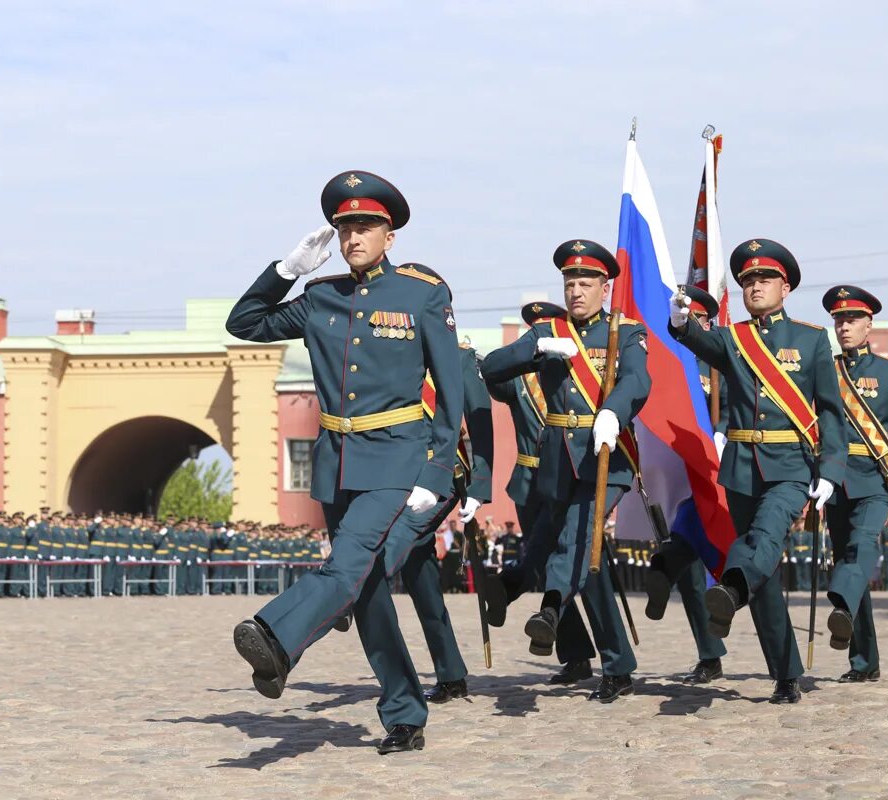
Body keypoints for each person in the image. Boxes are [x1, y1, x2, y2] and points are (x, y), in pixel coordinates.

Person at [226, 170, 462, 754]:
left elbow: (451, 392)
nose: (354, 235)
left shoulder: (422, 295)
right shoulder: (321, 297)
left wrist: (436, 475)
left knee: (348, 564)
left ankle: (277, 636)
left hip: (397, 459)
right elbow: (245, 323)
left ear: (390, 235)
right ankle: (405, 714)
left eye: (366, 225)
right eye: (345, 226)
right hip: (337, 462)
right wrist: (286, 271)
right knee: (370, 587)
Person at [669, 238, 846, 704]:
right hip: (742, 468)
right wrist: (681, 320)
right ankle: (786, 672)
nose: (754, 286)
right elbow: (701, 343)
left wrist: (829, 468)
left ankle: (728, 588)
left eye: (764, 279)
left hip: (791, 466)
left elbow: (830, 411)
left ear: (785, 287)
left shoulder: (810, 340)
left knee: (763, 539)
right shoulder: (734, 338)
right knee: (762, 573)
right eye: (747, 280)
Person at [483, 239, 650, 704]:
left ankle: (549, 608)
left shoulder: (626, 331)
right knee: (587, 562)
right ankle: (617, 664)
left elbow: (638, 380)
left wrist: (614, 411)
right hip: (559, 457)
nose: (576, 291)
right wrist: (537, 351)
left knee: (579, 534)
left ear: (605, 286)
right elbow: (493, 367)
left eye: (586, 282)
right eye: (570, 282)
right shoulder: (548, 331)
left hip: (605, 457)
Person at [381, 336, 495, 704]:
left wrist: (479, 485)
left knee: (398, 535)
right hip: (399, 476)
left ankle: (351, 588)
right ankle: (450, 673)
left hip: (443, 472)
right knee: (420, 575)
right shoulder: (394, 352)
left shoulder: (459, 357)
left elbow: (480, 423)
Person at [819, 284, 888, 682]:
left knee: (862, 546)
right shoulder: (825, 370)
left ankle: (840, 605)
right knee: (848, 561)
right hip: (834, 481)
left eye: (852, 319)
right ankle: (863, 662)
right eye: (839, 320)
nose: (844, 327)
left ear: (869, 325)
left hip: (876, 482)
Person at [641, 285, 729, 685]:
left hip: (719, 474)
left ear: (708, 321)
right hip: (679, 474)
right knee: (693, 571)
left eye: (699, 317)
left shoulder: (720, 364)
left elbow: (740, 403)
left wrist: (724, 432)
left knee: (727, 563)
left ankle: (664, 568)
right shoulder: (671, 365)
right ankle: (709, 654)